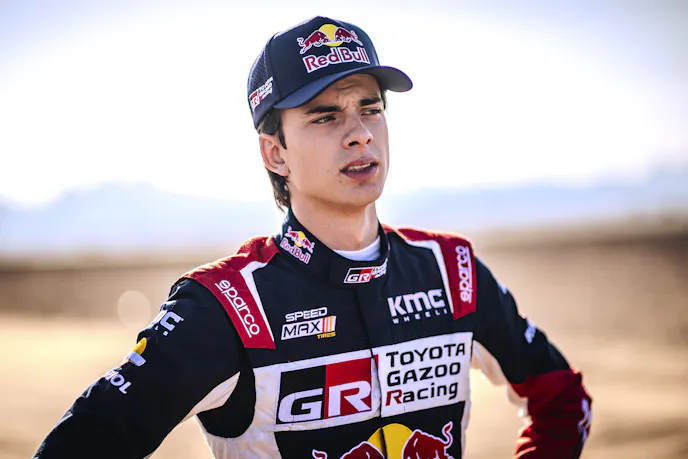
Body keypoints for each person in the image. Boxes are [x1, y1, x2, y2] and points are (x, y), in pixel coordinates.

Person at [34, 16, 592, 459]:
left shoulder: (451, 271)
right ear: (275, 153)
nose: (359, 133)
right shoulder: (227, 306)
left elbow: (564, 400)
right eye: (325, 117)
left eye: (371, 109)